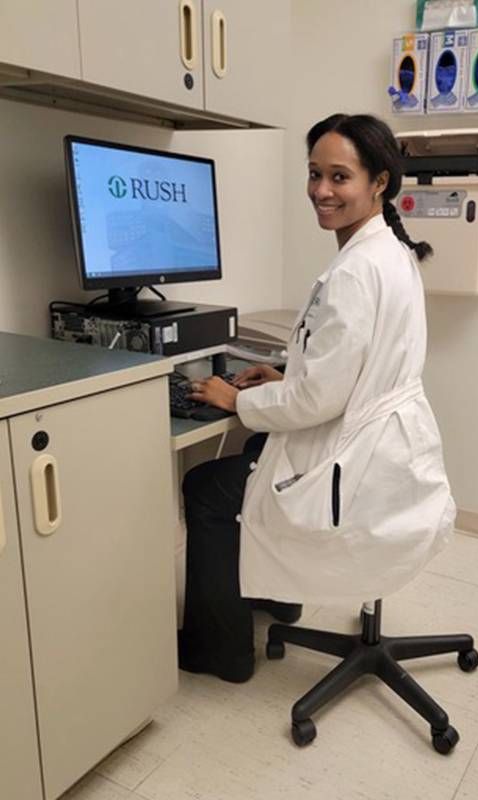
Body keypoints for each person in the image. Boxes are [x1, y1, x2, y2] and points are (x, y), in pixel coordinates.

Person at [177, 113, 455, 683]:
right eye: (313, 174)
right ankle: (277, 599)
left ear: (378, 182)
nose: (321, 191)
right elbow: (349, 368)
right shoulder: (390, 252)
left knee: (206, 488)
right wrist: (283, 372)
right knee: (255, 455)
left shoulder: (356, 270)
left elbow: (320, 402)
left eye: (339, 177)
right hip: (387, 451)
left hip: (354, 460)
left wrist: (234, 399)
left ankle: (221, 652)